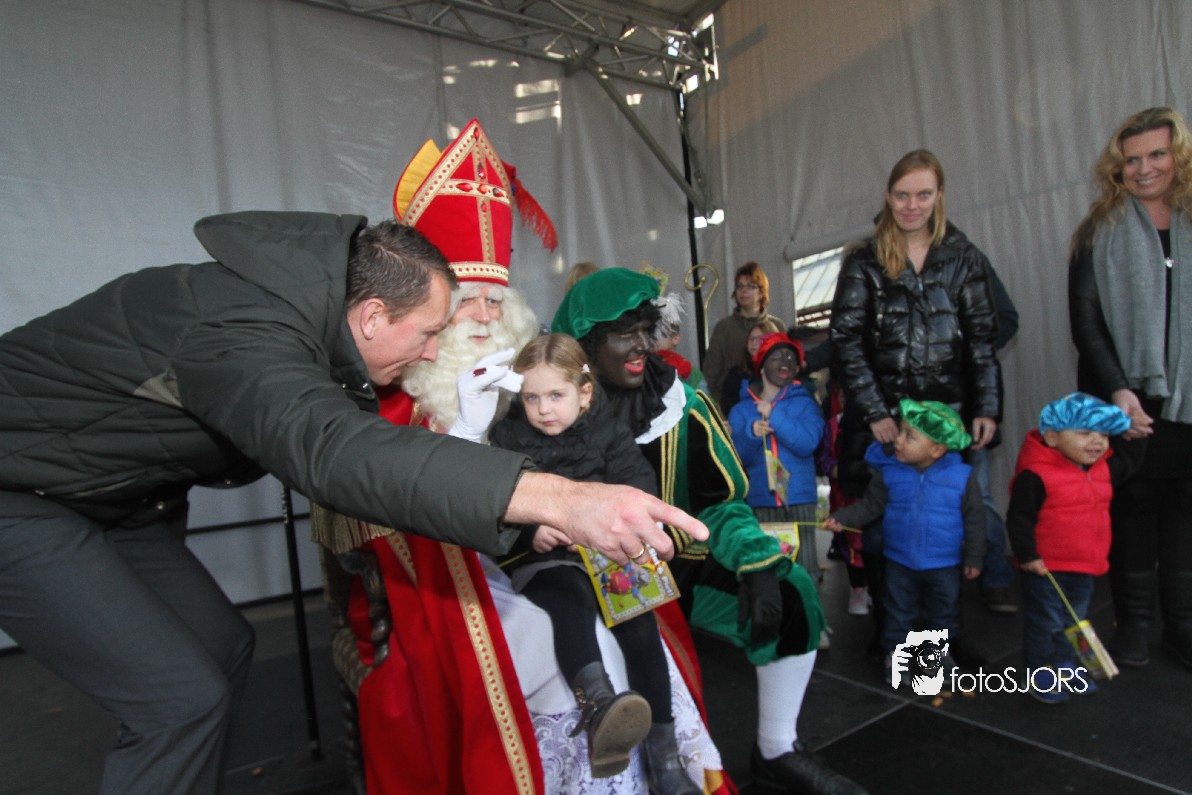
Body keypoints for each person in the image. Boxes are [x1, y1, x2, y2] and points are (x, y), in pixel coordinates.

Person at [0, 205, 705, 795]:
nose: (431, 351)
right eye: (427, 332)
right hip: (24, 494)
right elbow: (336, 452)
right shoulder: (241, 329)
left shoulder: (308, 320)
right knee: (179, 701)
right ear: (371, 316)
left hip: (122, 500)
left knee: (223, 647)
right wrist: (559, 498)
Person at [311, 119, 722, 794]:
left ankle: (657, 759)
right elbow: (373, 525)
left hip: (538, 553)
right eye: (464, 301)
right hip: (456, 582)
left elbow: (590, 459)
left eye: (493, 299)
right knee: (576, 636)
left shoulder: (529, 385)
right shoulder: (386, 401)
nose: (482, 315)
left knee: (633, 622)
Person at [553, 268, 867, 795]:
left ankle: (777, 749)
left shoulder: (683, 407)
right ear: (585, 345)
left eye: (644, 329)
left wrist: (757, 563)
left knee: (792, 592)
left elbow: (722, 504)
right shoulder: (553, 411)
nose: (640, 345)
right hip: (590, 588)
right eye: (622, 333)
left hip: (681, 573)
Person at [490, 334, 700, 792]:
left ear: (584, 393)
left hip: (606, 557)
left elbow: (636, 486)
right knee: (569, 603)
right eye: (531, 398)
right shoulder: (507, 438)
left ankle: (665, 759)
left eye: (556, 395)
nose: (543, 409)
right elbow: (495, 502)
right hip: (545, 559)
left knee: (640, 628)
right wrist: (530, 528)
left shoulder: (610, 433)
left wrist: (618, 524)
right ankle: (601, 706)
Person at [829, 148, 1001, 656]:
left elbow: (983, 340)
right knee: (884, 532)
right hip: (885, 429)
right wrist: (876, 412)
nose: (912, 205)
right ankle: (893, 639)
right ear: (888, 196)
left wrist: (986, 406)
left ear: (939, 195)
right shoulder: (864, 260)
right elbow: (845, 341)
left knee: (951, 527)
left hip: (948, 426)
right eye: (903, 195)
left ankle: (945, 639)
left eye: (923, 194)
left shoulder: (965, 257)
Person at [1069, 106, 1192, 670]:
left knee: (1185, 508)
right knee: (1133, 506)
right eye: (1132, 160)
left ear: (1179, 156)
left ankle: (1182, 625)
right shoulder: (1099, 232)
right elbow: (1086, 323)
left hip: (1188, 402)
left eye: (1157, 155)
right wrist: (1120, 392)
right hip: (1126, 402)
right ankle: (1136, 622)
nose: (1144, 169)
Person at [824, 399, 985, 674]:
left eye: (910, 436)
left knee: (942, 613)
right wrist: (843, 518)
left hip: (944, 563)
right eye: (900, 431)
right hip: (899, 559)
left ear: (937, 449)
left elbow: (975, 519)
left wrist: (974, 557)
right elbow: (871, 505)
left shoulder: (961, 477)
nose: (897, 440)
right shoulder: (890, 472)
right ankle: (896, 657)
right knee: (898, 611)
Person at [1006, 393, 1136, 703]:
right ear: (1052, 437)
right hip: (1046, 569)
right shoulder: (1036, 474)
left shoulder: (1100, 469)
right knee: (1046, 623)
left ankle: (1064, 667)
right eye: (1085, 433)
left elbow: (1132, 462)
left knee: (1074, 622)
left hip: (1083, 566)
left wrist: (1137, 433)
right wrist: (1028, 556)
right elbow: (1019, 518)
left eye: (1103, 434)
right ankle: (1040, 673)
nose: (1097, 441)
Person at [728, 332, 825, 580]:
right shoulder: (741, 411)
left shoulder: (806, 404)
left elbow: (808, 444)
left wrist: (774, 415)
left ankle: (808, 606)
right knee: (768, 568)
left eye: (791, 357)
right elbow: (738, 459)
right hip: (761, 500)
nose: (785, 361)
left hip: (799, 499)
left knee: (805, 568)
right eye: (777, 356)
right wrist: (750, 433)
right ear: (761, 367)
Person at [703, 262, 785, 413]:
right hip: (731, 403)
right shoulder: (724, 328)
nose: (744, 290)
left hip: (774, 404)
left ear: (761, 292)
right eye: (740, 286)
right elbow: (710, 374)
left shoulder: (777, 326)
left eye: (751, 286)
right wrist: (717, 408)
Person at [719, 317, 786, 415]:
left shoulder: (785, 370)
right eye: (751, 339)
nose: (754, 343)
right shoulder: (737, 372)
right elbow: (728, 404)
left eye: (759, 339)